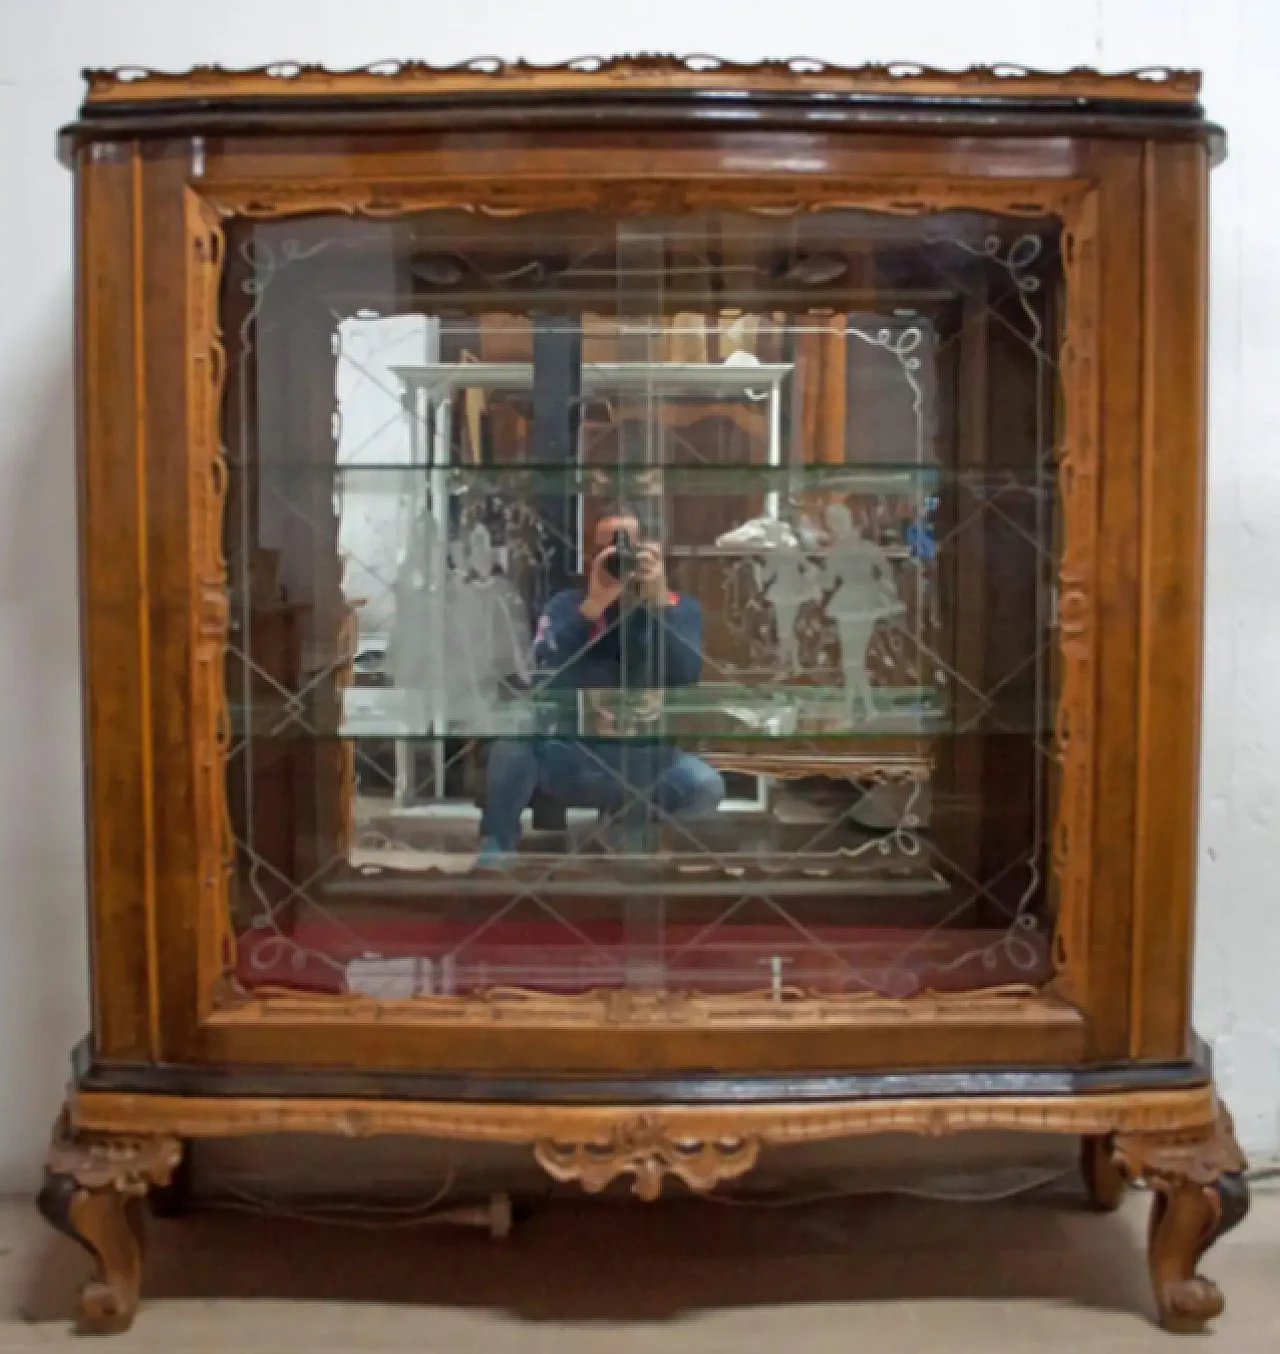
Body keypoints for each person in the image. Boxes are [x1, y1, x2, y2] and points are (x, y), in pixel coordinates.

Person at [477, 509, 725, 864]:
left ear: (651, 552)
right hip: (570, 753)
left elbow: (684, 673)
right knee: (511, 745)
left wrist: (656, 603)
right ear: (593, 557)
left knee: (704, 786)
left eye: (629, 548)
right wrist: (592, 608)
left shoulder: (679, 609)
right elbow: (543, 675)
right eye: (608, 549)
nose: (619, 557)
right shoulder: (568, 606)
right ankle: (497, 845)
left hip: (646, 757)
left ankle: (626, 828)